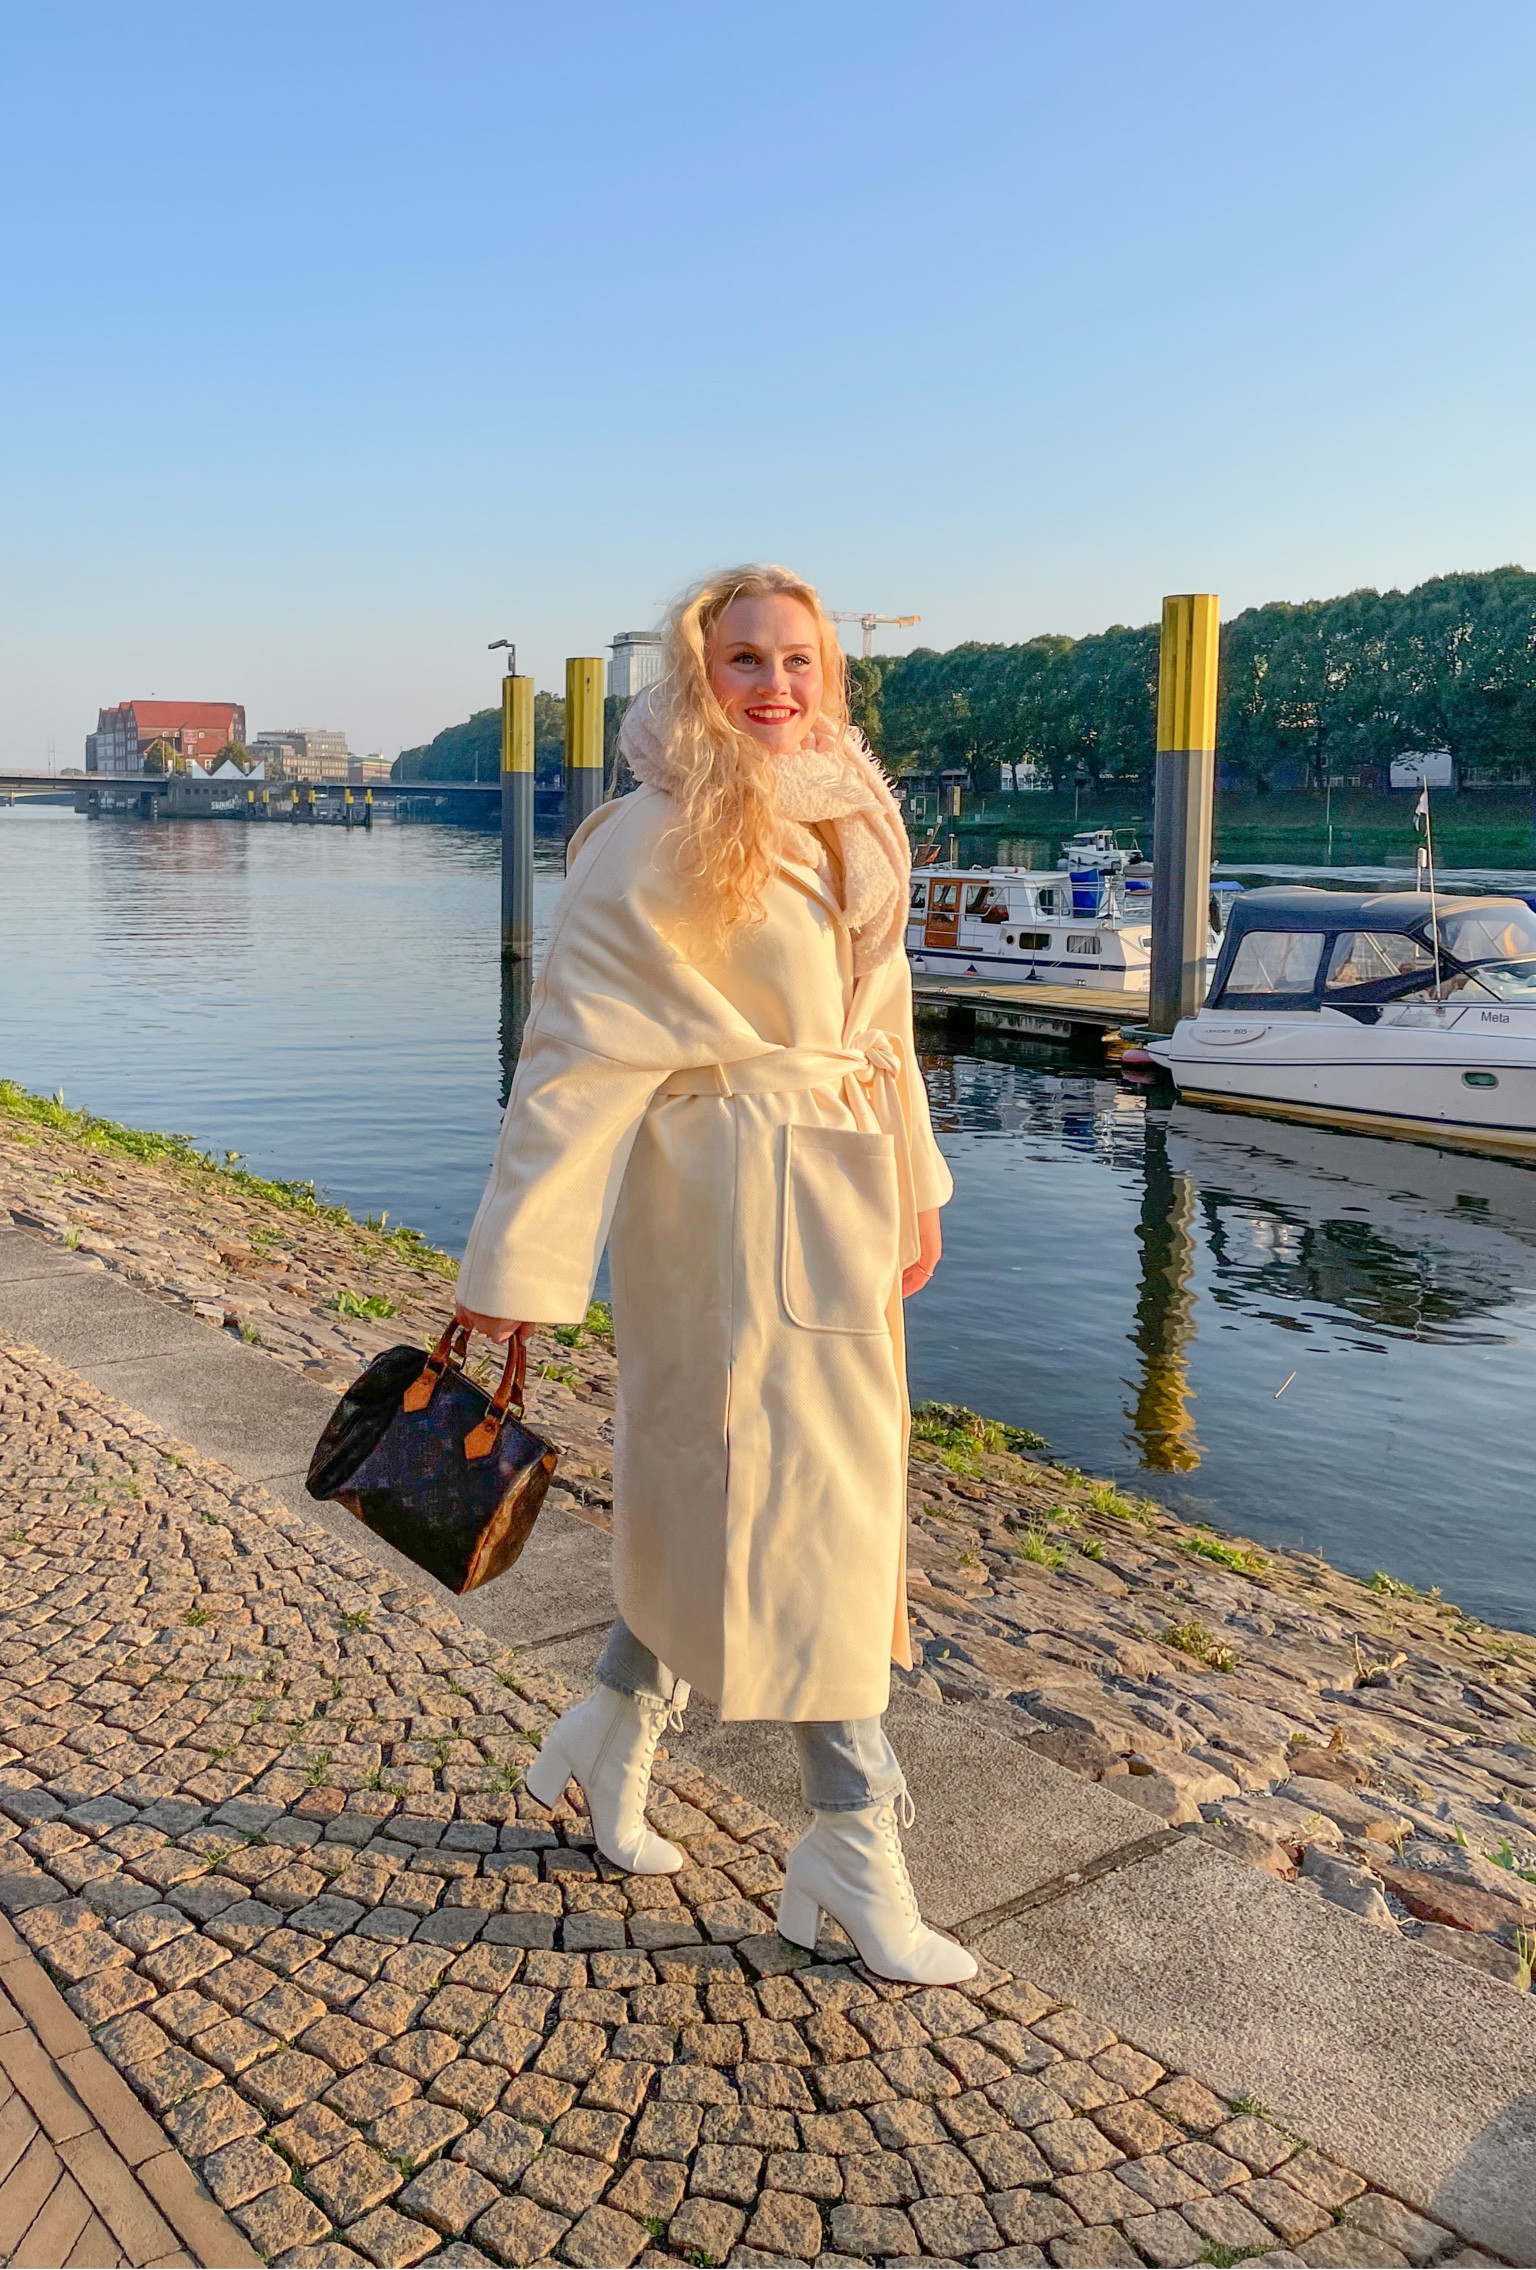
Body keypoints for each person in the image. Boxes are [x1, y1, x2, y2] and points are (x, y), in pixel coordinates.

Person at [454, 563, 973, 1984]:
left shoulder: (846, 803)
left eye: (799, 659)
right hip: (733, 1199)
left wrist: (917, 1179)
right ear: (695, 675)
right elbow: (573, 1051)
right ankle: (854, 1838)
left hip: (840, 1181)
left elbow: (887, 1016)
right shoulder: (656, 832)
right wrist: (513, 1261)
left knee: (736, 1482)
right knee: (806, 1503)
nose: (777, 685)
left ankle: (608, 1726)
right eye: (743, 659)